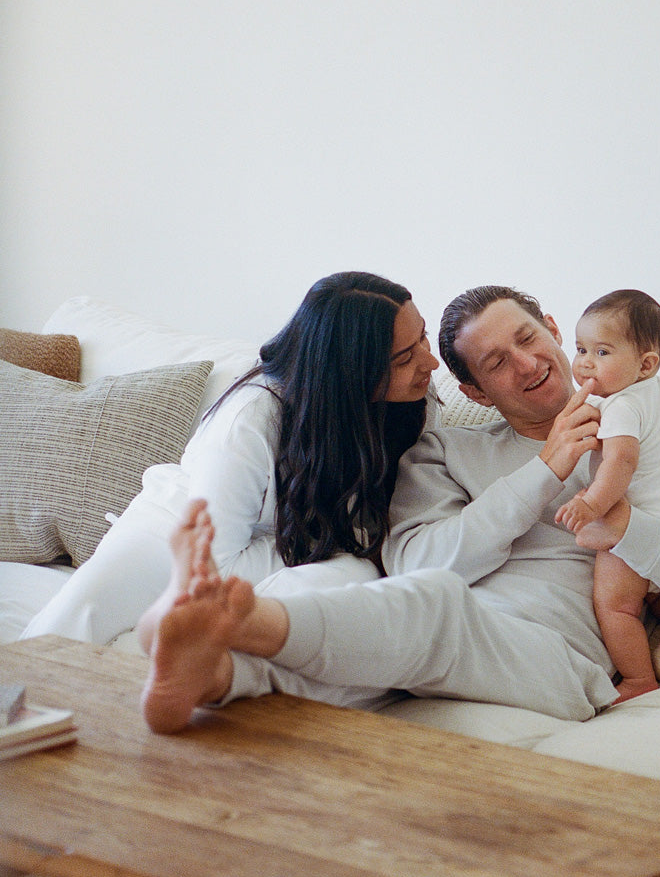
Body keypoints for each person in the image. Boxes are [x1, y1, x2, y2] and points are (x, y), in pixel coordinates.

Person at [139, 284, 660, 733]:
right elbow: (417, 556)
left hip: (557, 657)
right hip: (442, 631)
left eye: (530, 338)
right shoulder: (444, 450)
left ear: (556, 330)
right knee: (372, 656)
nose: (530, 364)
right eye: (498, 363)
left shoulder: (650, 430)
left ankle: (243, 618)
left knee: (433, 608)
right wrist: (544, 473)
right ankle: (215, 673)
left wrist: (629, 530)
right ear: (473, 389)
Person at [21, 271, 439, 646]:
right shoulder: (251, 419)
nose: (430, 361)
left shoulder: (413, 403)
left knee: (355, 580)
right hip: (179, 536)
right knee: (62, 633)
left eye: (422, 336)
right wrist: (339, 540)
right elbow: (216, 566)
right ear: (349, 369)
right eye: (405, 356)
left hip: (301, 547)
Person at [555, 288, 660, 702]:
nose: (585, 362)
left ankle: (639, 678)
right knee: (658, 591)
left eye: (602, 352)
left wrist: (591, 504)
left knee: (615, 606)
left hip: (640, 525)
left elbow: (620, 463)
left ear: (646, 364)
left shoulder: (619, 408)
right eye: (581, 348)